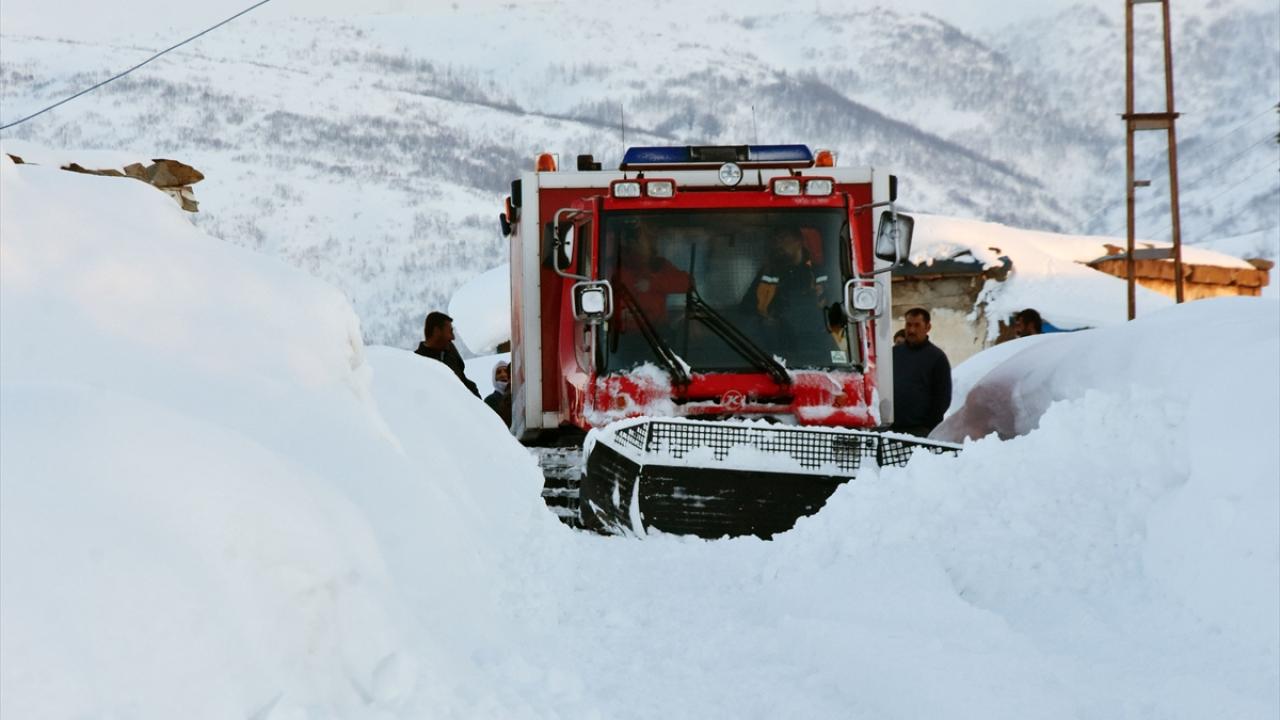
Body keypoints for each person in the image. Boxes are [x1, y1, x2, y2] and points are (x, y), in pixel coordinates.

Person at [616, 222, 691, 328]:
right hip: (624, 338)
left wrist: (653, 284)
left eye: (653, 238)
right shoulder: (618, 268)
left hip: (658, 333)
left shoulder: (659, 265)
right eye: (647, 238)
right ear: (632, 243)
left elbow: (687, 283)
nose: (653, 242)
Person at [891, 307, 951, 436]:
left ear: (928, 327)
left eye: (917, 325)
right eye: (908, 325)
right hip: (891, 429)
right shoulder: (893, 354)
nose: (912, 330)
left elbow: (942, 398)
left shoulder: (937, 358)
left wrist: (927, 427)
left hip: (920, 432)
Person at [415, 311, 480, 397]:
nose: (453, 337)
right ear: (437, 331)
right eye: (450, 332)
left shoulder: (450, 352)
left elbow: (464, 381)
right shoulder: (417, 363)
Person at [484, 360, 512, 426]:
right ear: (494, 378)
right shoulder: (490, 400)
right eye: (499, 372)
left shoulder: (518, 396)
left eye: (506, 371)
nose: (503, 375)